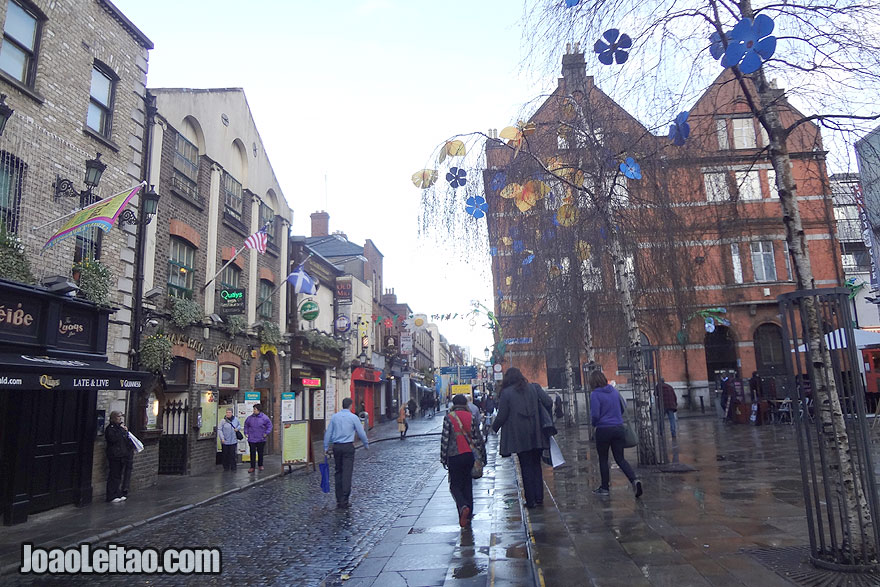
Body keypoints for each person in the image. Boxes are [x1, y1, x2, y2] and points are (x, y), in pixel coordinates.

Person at [492, 368, 552, 508]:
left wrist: (493, 428)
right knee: (536, 465)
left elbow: (502, 415)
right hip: (536, 432)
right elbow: (548, 402)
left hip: (519, 435)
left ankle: (530, 500)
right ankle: (539, 497)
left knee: (525, 467)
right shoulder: (534, 388)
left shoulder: (506, 393)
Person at [590, 370, 642, 498]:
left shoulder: (595, 394)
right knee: (620, 458)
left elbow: (595, 414)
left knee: (603, 459)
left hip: (603, 429)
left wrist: (594, 423)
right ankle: (634, 480)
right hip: (618, 428)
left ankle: (604, 488)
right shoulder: (614, 391)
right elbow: (623, 405)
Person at [441, 394, 486, 527]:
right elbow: (477, 437)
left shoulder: (449, 418)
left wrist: (443, 458)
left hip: (454, 455)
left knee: (455, 485)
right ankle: (468, 516)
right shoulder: (471, 417)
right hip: (468, 455)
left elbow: (445, 440)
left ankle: (462, 507)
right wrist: (483, 456)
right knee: (467, 485)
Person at [324, 397, 369, 508]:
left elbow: (328, 432)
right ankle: (345, 499)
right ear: (350, 405)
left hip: (337, 447)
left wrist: (325, 447)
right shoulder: (353, 417)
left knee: (338, 471)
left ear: (342, 405)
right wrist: (365, 444)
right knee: (347, 473)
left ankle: (339, 498)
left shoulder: (335, 417)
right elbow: (361, 432)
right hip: (348, 447)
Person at [105, 411, 135, 503]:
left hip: (122, 455)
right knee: (113, 475)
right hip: (114, 455)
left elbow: (125, 439)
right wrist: (121, 430)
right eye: (118, 417)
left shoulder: (120, 428)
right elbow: (113, 439)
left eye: (121, 416)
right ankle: (111, 495)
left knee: (118, 475)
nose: (120, 418)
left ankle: (117, 493)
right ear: (113, 418)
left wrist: (125, 431)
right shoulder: (110, 428)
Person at [244, 403, 273, 473]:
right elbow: (246, 425)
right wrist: (246, 433)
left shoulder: (264, 418)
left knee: (260, 453)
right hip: (252, 438)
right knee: (252, 453)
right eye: (253, 409)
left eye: (255, 409)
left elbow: (269, 426)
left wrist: (266, 433)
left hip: (261, 438)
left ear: (259, 410)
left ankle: (260, 465)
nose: (253, 410)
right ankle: (252, 467)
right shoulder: (250, 418)